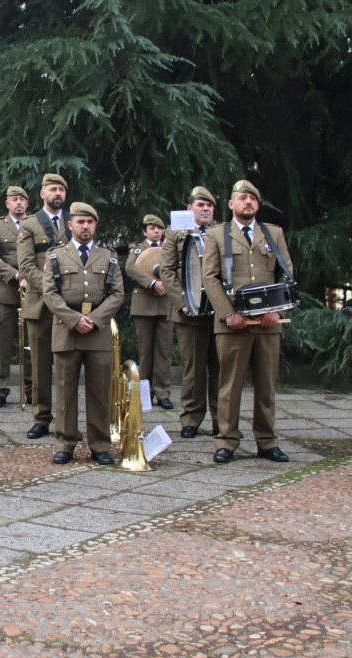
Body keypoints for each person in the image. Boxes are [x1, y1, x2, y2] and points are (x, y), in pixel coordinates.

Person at [202, 179, 293, 464]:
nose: (248, 202)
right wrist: (229, 313)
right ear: (231, 204)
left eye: (253, 198)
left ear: (258, 204)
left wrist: (277, 312)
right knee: (229, 385)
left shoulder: (273, 233)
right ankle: (226, 441)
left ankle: (267, 441)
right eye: (242, 198)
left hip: (267, 324)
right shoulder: (218, 235)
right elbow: (210, 277)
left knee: (266, 386)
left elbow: (286, 274)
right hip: (232, 324)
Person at [41, 202, 125, 464]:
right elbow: (50, 294)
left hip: (97, 331)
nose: (85, 226)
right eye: (80, 222)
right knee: (65, 390)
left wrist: (95, 319)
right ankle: (65, 442)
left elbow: (117, 294)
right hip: (66, 330)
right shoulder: (55, 257)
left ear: (95, 225)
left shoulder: (108, 257)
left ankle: (99, 444)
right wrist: (75, 319)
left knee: (100, 391)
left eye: (89, 222)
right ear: (70, 225)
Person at [16, 173, 69, 439]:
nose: (57, 193)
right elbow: (25, 265)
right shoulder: (29, 225)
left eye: (60, 189)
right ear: (42, 193)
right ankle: (41, 417)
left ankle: (66, 418)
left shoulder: (75, 222)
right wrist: (50, 288)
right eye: (52, 189)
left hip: (69, 306)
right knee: (39, 365)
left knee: (66, 365)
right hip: (39, 304)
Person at [163, 187, 220, 437]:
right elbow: (166, 271)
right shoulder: (175, 233)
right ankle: (190, 420)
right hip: (189, 311)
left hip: (219, 311)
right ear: (189, 209)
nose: (205, 208)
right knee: (193, 368)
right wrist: (183, 301)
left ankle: (223, 420)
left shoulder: (223, 232)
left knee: (221, 368)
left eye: (209, 205)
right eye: (200, 204)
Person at [0, 186, 27, 409]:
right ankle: (0, 389)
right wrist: (15, 274)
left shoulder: (35, 225)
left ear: (27, 204)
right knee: (1, 343)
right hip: (4, 291)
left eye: (22, 199)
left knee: (32, 342)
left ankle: (31, 388)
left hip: (33, 291)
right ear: (7, 203)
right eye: (14, 199)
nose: (18, 203)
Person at [125, 214, 175, 410]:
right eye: (151, 228)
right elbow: (130, 268)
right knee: (145, 351)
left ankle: (162, 392)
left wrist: (166, 283)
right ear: (145, 231)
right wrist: (152, 283)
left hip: (165, 304)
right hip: (144, 303)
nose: (155, 231)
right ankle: (144, 394)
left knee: (164, 350)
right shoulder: (137, 248)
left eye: (158, 228)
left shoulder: (169, 249)